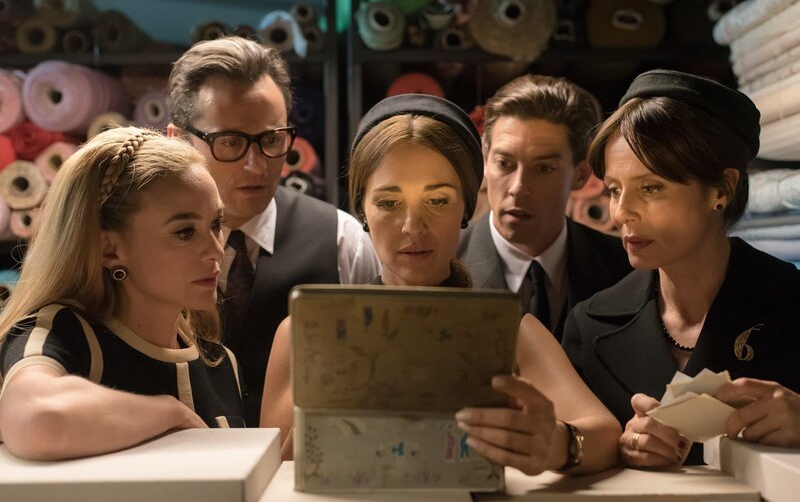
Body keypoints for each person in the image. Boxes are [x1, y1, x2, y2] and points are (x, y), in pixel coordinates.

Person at [261, 94, 621, 474]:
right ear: (361, 209)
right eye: (388, 203)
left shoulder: (507, 330)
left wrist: (558, 443)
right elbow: (271, 469)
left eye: (437, 201)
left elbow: (604, 434)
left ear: (466, 207)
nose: (412, 227)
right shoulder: (305, 334)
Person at [562, 69, 800, 468]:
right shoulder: (589, 325)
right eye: (615, 190)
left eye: (651, 188)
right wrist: (616, 450)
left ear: (721, 190)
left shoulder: (791, 303)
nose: (621, 213)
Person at [166, 36, 380, 426]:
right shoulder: (144, 248)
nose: (256, 164)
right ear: (177, 141)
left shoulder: (342, 240)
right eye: (231, 141)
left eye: (271, 139)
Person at [0, 127, 242, 460]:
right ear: (110, 249)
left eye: (216, 224)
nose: (216, 250)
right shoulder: (60, 332)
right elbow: (37, 419)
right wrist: (171, 413)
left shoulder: (221, 363)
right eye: (185, 232)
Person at [458, 74, 631, 341]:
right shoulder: (441, 265)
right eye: (504, 163)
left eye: (543, 168)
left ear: (581, 176)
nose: (518, 187)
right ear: (485, 160)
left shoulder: (626, 271)